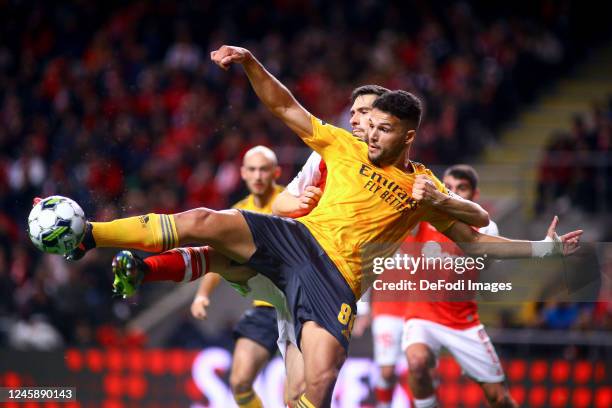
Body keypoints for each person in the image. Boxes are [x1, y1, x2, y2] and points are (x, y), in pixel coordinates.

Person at [56, 46, 581, 407]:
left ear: (409, 135)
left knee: (318, 384)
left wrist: (543, 250)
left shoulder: (423, 188)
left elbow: (477, 233)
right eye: (368, 124)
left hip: (335, 279)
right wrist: (251, 63)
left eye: (383, 128)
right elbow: (286, 107)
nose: (369, 133)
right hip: (297, 239)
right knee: (203, 222)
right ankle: (89, 236)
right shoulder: (344, 145)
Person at [400, 164, 517, 408]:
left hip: (462, 321)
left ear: (475, 196)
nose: (452, 193)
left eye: (461, 189)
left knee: (499, 398)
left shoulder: (485, 228)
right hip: (423, 315)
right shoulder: (422, 217)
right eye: (448, 187)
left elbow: (485, 263)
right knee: (417, 362)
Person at [192, 145, 284, 408]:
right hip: (266, 310)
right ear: (243, 173)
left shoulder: (292, 201)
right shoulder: (237, 214)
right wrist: (202, 295)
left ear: (276, 172)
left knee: (297, 394)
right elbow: (217, 258)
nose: (258, 176)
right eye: (252, 169)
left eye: (264, 169)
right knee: (240, 384)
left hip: (300, 308)